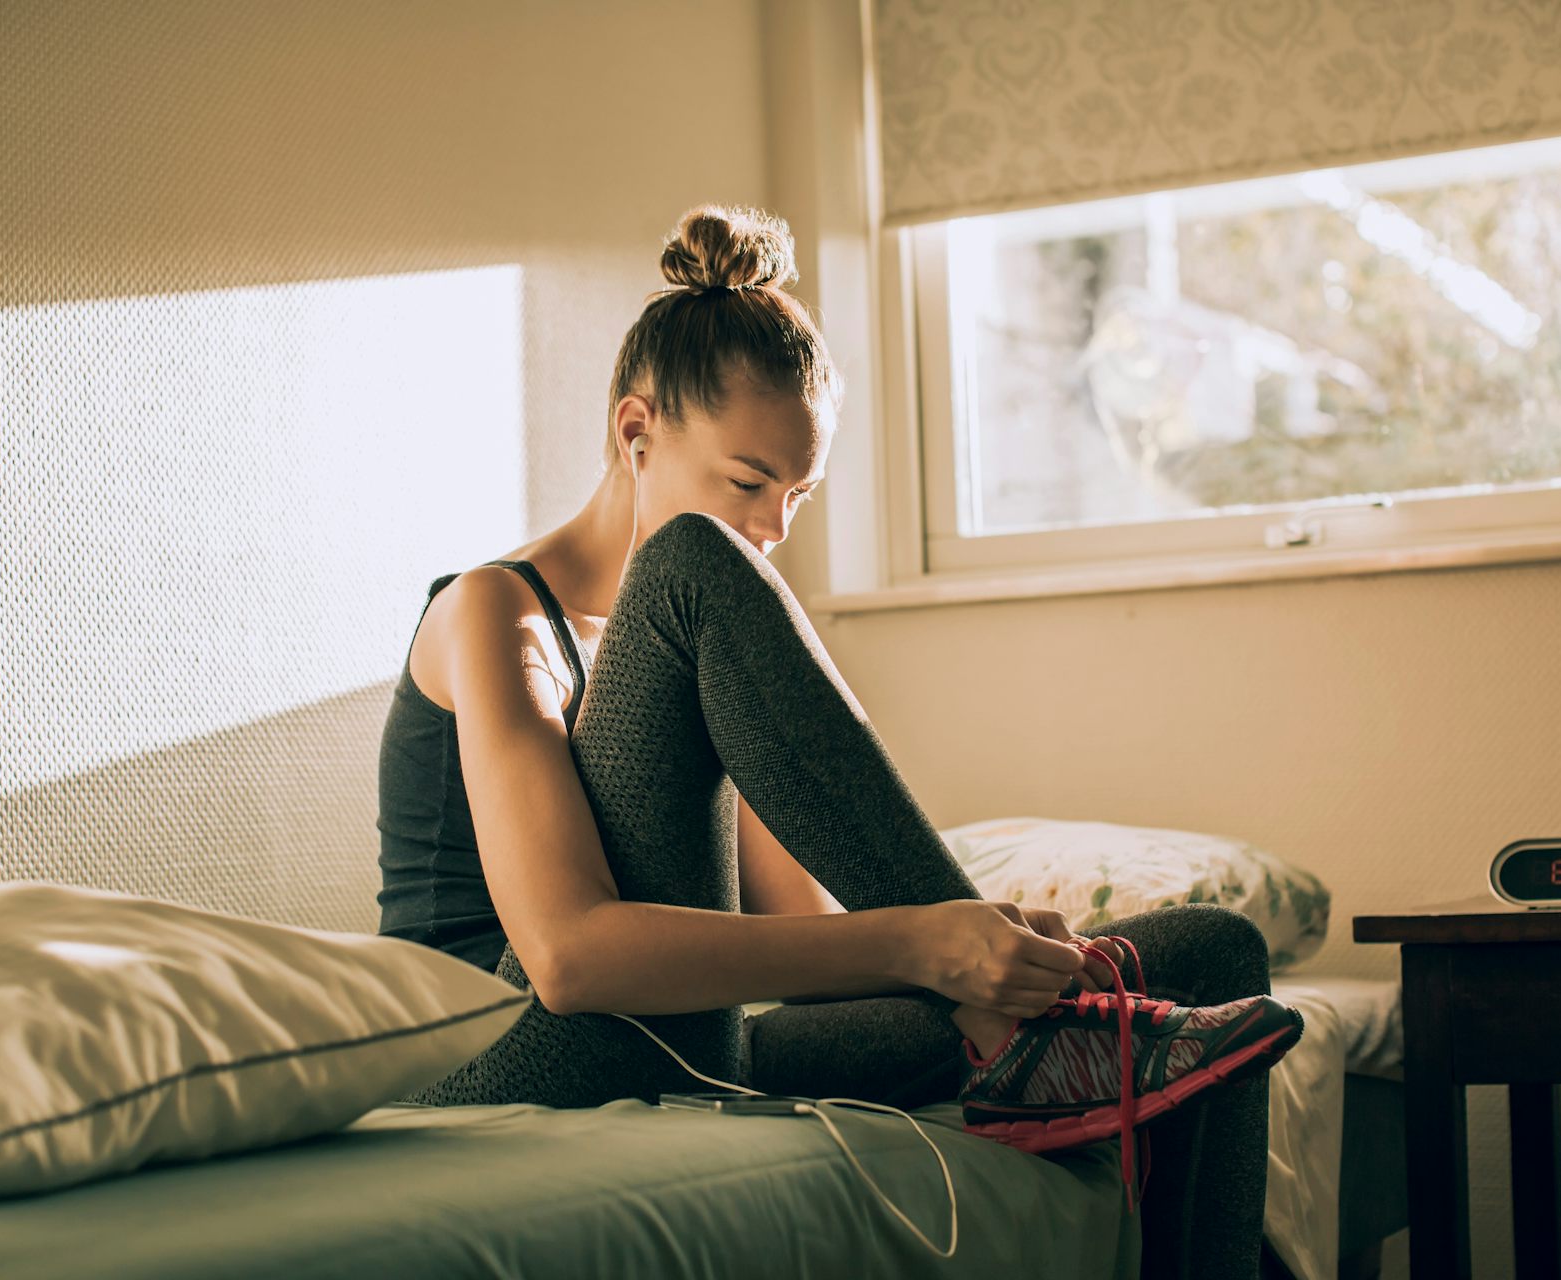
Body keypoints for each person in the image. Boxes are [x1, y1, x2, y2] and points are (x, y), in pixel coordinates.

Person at [375, 203, 1301, 1279]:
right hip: (505, 1045)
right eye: (748, 481)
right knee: (687, 565)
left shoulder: (682, 657)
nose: (770, 528)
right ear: (636, 433)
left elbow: (802, 934)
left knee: (1213, 954)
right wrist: (932, 942)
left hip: (698, 1033)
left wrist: (985, 944)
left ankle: (1045, 1031)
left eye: (799, 494)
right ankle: (1024, 1029)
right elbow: (570, 958)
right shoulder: (495, 611)